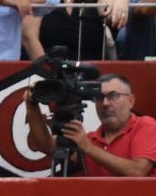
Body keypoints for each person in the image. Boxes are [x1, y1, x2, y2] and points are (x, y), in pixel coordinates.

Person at [25, 71, 156, 173]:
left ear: (131, 101)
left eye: (113, 96)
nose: (105, 103)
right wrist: (32, 108)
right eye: (99, 98)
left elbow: (138, 171)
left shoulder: (145, 126)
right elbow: (48, 147)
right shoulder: (90, 138)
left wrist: (89, 148)